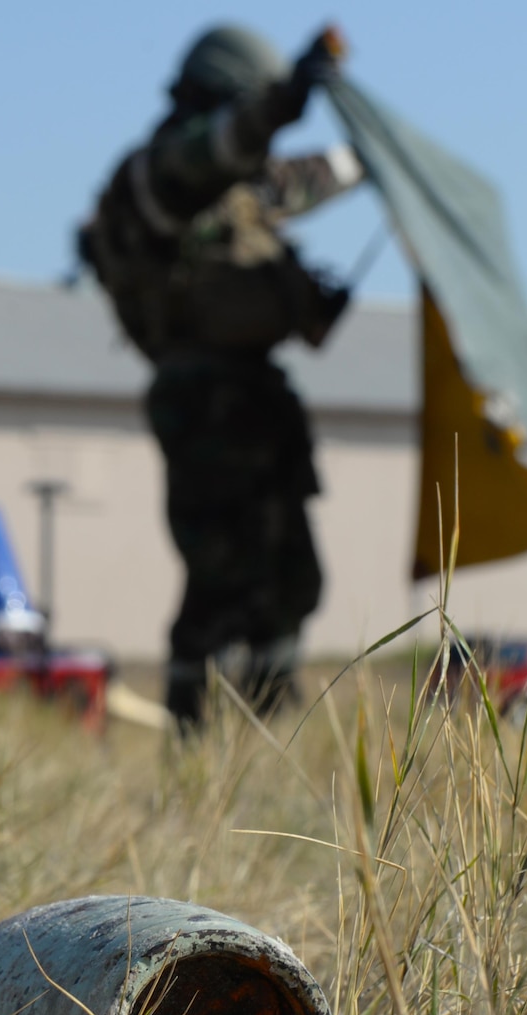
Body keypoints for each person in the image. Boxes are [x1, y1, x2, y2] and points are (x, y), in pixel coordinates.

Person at [79, 24, 358, 727]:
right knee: (222, 580)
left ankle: (267, 741)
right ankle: (195, 741)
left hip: (257, 399)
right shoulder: (159, 177)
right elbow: (230, 144)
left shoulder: (235, 189)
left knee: (290, 579)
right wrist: (289, 97)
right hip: (203, 404)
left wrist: (380, 157)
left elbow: (306, 178)